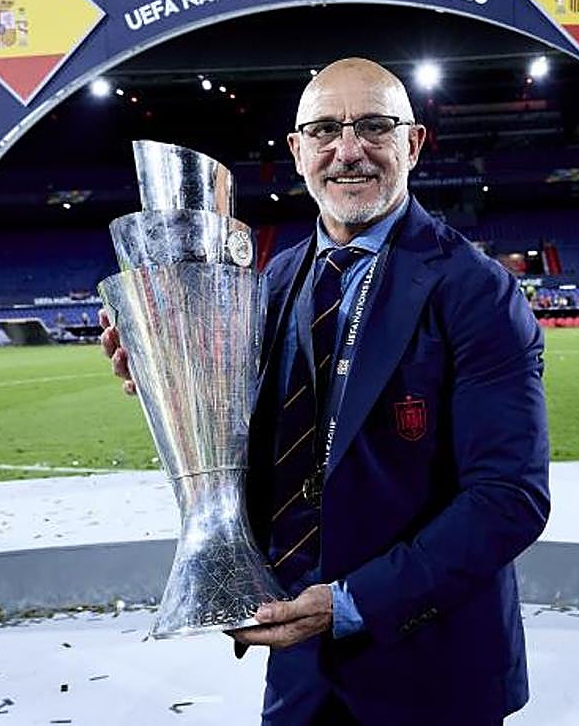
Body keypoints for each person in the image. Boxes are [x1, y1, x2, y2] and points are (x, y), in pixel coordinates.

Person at [100, 58, 550, 725]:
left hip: (432, 672)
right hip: (300, 676)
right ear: (296, 149)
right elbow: (255, 447)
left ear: (413, 144)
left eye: (374, 126)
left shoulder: (475, 290)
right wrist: (176, 383)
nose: (349, 151)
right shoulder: (272, 284)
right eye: (324, 131)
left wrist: (347, 603)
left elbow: (510, 498)